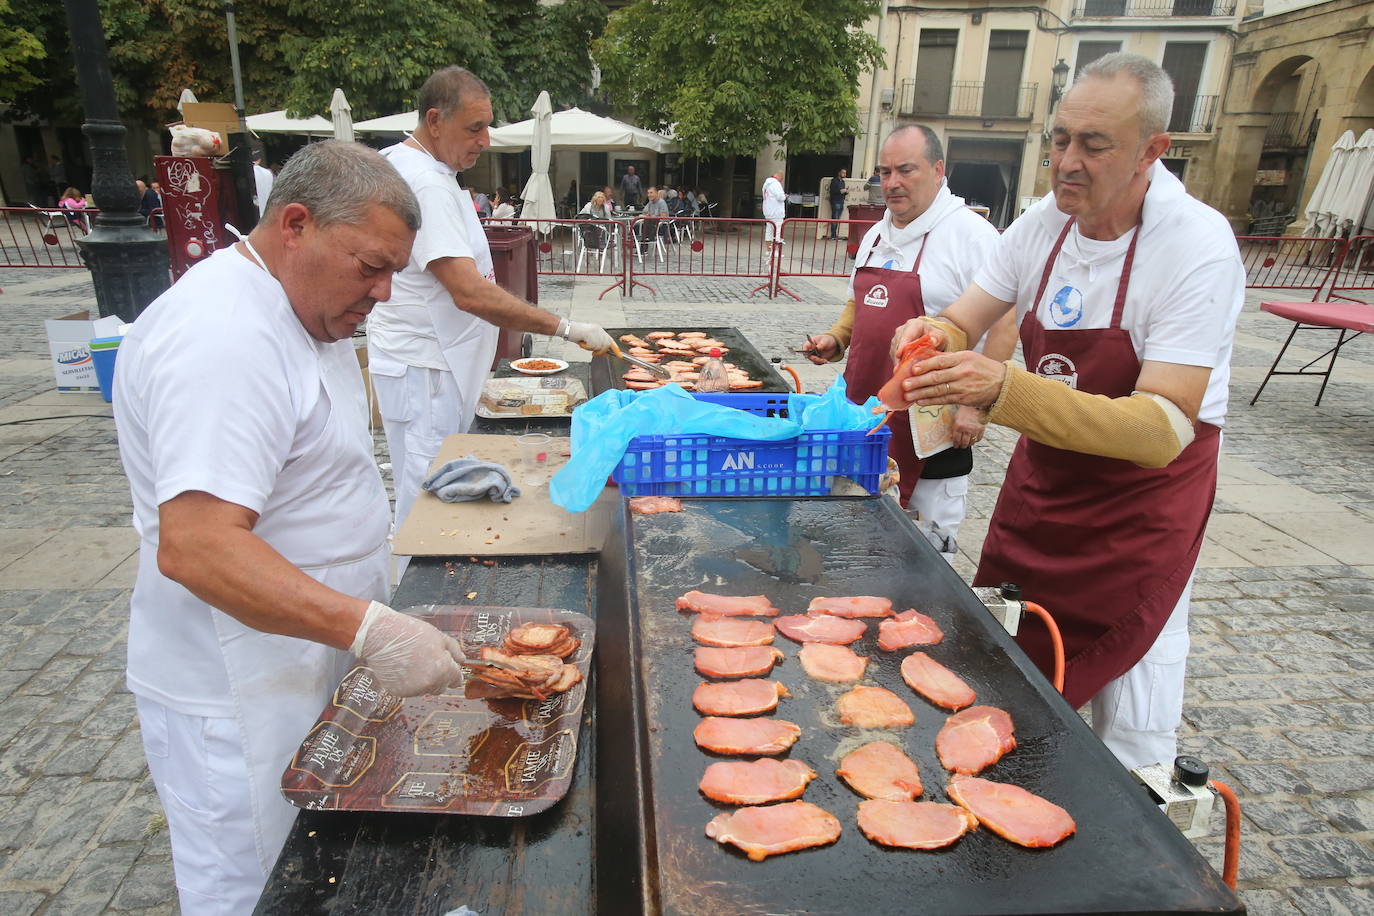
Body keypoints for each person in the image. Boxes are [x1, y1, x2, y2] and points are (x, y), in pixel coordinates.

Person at [112, 140, 470, 915]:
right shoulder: (224, 336)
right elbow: (198, 544)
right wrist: (370, 626)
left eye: (392, 275)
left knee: (313, 877)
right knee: (253, 886)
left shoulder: (302, 307)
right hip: (238, 687)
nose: (380, 293)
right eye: (369, 265)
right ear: (295, 224)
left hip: (301, 658)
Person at [889, 53, 1245, 771]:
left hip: (1138, 513)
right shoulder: (1045, 222)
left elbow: (1161, 429)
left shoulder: (1195, 244)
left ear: (1152, 151)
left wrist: (1003, 389)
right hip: (1044, 495)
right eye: (1059, 140)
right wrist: (931, 336)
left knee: (1132, 711)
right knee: (998, 670)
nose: (1067, 162)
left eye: (1093, 144)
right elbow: (966, 314)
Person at [368, 66, 612, 542]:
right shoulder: (426, 183)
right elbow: (469, 291)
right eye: (474, 128)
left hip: (437, 363)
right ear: (434, 120)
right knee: (431, 496)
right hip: (427, 369)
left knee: (436, 486)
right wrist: (564, 327)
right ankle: (418, 602)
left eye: (488, 127)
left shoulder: (426, 168)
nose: (485, 140)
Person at [805, 126, 1012, 540]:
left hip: (932, 425)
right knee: (856, 533)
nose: (892, 183)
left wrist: (975, 406)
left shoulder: (971, 235)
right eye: (884, 173)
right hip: (865, 410)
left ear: (938, 170)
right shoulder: (878, 233)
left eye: (905, 170)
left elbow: (1005, 322)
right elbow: (858, 301)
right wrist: (837, 338)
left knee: (926, 545)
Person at [762, 168, 786, 249]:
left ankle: (769, 251)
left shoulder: (766, 184)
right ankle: (775, 252)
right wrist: (784, 196)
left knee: (769, 233)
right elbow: (780, 197)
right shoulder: (776, 184)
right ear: (780, 177)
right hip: (776, 212)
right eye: (782, 179)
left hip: (768, 212)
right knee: (777, 233)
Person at [827, 168, 849, 239]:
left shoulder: (843, 182)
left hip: (841, 201)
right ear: (839, 173)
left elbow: (842, 192)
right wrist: (841, 191)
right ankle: (833, 235)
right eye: (843, 173)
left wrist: (845, 192)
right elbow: (832, 191)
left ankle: (835, 234)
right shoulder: (834, 181)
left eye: (845, 173)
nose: (844, 174)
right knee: (835, 218)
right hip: (835, 201)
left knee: (838, 218)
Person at [252, 148, 273, 218]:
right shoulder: (268, 173)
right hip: (268, 212)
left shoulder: (251, 172)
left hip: (257, 213)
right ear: (259, 160)